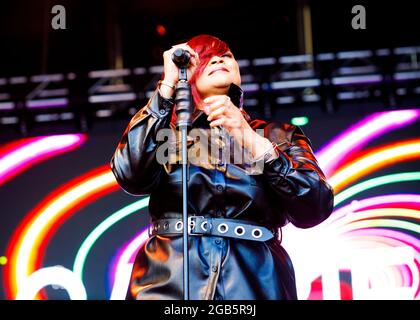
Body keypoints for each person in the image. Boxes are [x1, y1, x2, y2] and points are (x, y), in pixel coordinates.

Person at [110, 34, 334, 300]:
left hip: (253, 284)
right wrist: (167, 85)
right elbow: (129, 174)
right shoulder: (167, 135)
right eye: (206, 58)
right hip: (168, 282)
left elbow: (315, 206)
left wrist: (251, 140)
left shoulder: (279, 135)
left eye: (226, 55)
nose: (218, 58)